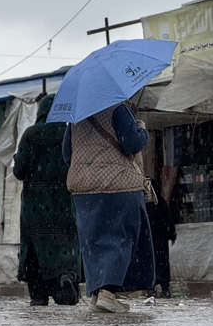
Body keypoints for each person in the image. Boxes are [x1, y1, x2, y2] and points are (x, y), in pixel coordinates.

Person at [63, 101, 155, 313]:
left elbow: (67, 155)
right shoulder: (118, 109)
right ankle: (108, 293)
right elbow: (131, 143)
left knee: (93, 241)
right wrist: (141, 130)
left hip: (83, 188)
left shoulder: (76, 117)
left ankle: (97, 292)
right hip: (118, 184)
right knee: (120, 238)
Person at [13, 94, 81, 306]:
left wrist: (19, 160)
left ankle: (39, 294)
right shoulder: (69, 133)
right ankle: (64, 279)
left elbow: (19, 171)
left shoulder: (31, 134)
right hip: (64, 204)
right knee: (65, 246)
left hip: (35, 207)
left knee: (35, 250)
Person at [145, 180, 176, 298]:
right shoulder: (160, 202)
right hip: (160, 238)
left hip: (150, 238)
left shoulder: (145, 204)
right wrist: (171, 234)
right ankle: (164, 288)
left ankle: (151, 288)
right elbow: (168, 218)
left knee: (150, 262)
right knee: (162, 262)